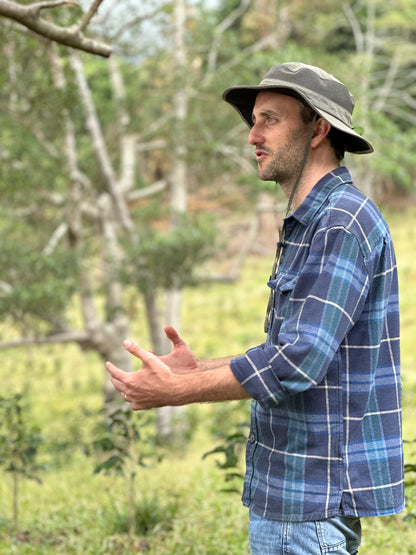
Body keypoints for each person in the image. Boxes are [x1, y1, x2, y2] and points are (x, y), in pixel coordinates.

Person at [106, 62, 405, 554]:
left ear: (318, 129)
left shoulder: (339, 223)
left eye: (269, 119)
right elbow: (290, 350)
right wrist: (200, 367)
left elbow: (297, 360)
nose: (252, 136)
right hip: (298, 494)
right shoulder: (313, 222)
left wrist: (178, 390)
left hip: (309, 500)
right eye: (254, 120)